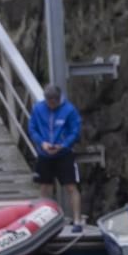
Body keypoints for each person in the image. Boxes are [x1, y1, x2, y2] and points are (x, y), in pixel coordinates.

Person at [27, 84, 83, 230]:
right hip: (44, 153)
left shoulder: (69, 110)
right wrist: (42, 143)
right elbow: (32, 128)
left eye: (54, 102)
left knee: (71, 186)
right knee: (45, 187)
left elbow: (75, 131)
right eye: (49, 102)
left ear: (58, 99)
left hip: (64, 153)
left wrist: (64, 145)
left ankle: (77, 221)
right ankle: (45, 222)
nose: (51, 105)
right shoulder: (38, 109)